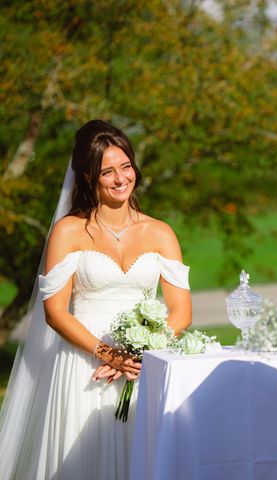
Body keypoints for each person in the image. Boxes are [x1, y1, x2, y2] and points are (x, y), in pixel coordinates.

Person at [0, 119, 192, 479]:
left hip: (142, 371)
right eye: (107, 172)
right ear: (88, 177)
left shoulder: (160, 232)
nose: (121, 179)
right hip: (83, 368)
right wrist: (109, 354)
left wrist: (136, 356)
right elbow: (56, 312)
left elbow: (181, 311)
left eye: (125, 167)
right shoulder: (68, 231)